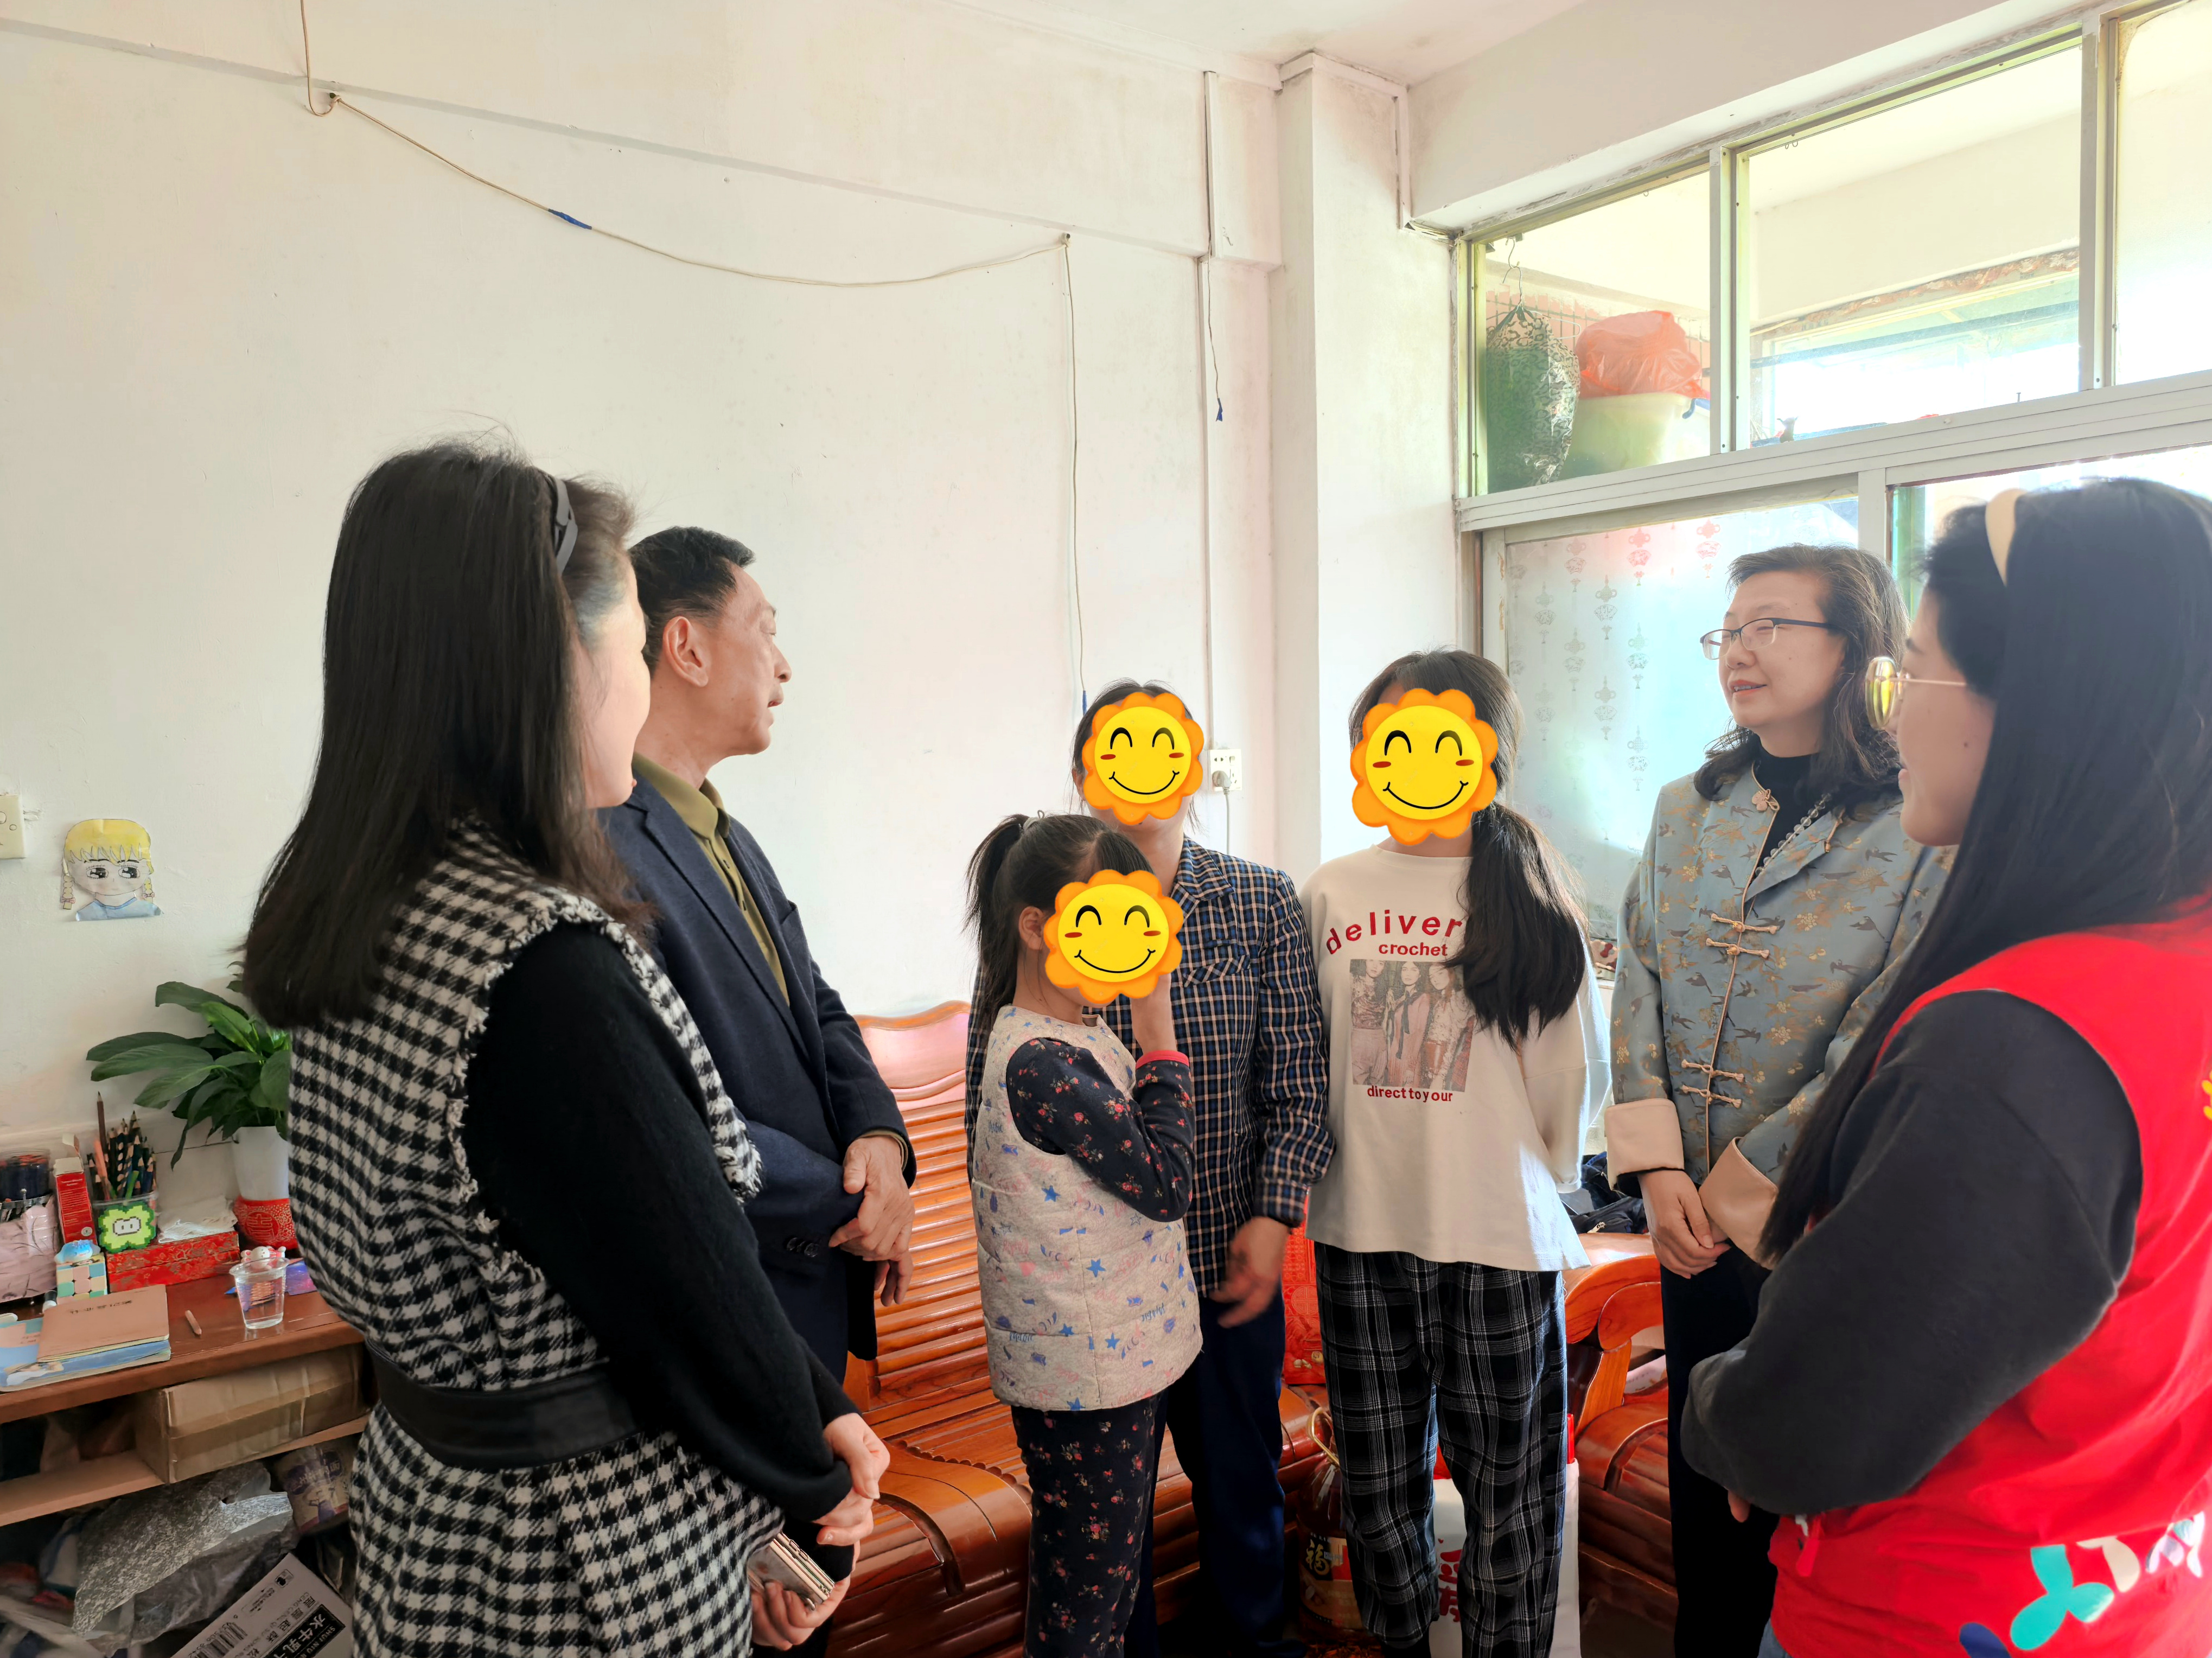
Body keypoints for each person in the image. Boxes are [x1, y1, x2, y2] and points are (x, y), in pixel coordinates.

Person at [246, 443, 885, 1656]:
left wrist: (805, 1408)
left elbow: (621, 1239)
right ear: (557, 665)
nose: (638, 688)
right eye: (630, 647)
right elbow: (682, 1284)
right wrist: (814, 1478)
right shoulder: (538, 961)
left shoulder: (369, 903)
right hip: (579, 1555)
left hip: (436, 1510)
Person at [1681, 480, 2212, 1657]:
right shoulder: (2177, 960)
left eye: (1908, 674)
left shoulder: (2017, 1046)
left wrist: (1724, 1410)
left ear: (2034, 706)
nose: (1894, 722)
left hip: (1925, 1612)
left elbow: (1808, 1424)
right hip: (2136, 1593)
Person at [1603, 543, 1949, 1657]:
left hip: (1820, 1215)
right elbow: (1639, 977)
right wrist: (1657, 1169)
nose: (1738, 652)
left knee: (1801, 1493)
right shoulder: (1686, 807)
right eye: (1729, 630)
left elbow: (1889, 1020)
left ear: (1853, 646)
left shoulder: (1913, 817)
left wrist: (1742, 1183)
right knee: (1704, 1492)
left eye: (1770, 626)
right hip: (1683, 1222)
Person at [963, 678, 1332, 1658]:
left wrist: (1273, 1217)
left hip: (1221, 1262)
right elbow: (985, 1109)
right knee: (1107, 1540)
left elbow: (1299, 1080)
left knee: (1240, 1488)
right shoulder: (1045, 915)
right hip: (1090, 1302)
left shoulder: (1257, 900)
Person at [1301, 650, 1608, 1658]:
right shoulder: (1332, 891)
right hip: (1360, 1229)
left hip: (1497, 1239)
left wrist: (1516, 1174)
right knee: (1377, 1491)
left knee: (1508, 1498)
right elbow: (1309, 1049)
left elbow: (1571, 1079)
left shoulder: (1533, 902)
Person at [602, 525, 915, 1375]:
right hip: (730, 1302)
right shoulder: (598, 845)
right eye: (765, 631)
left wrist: (881, 1143)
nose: (783, 667)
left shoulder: (725, 833)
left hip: (805, 1294)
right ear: (687, 648)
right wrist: (852, 1206)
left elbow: (817, 1007)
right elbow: (657, 1106)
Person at [965, 812, 1203, 1658]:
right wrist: (1161, 1037)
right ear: (1037, 928)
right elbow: (1164, 1184)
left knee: (1101, 1584)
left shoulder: (1072, 1033)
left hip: (1107, 1359)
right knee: (1085, 1603)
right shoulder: (1043, 1063)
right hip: (1085, 1376)